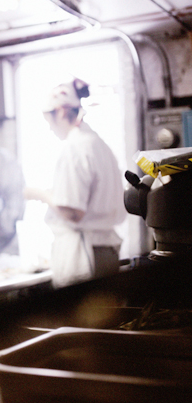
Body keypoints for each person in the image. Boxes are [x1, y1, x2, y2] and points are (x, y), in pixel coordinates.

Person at [23, 78, 126, 289]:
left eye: (48, 120)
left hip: (86, 255)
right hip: (105, 251)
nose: (50, 128)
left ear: (60, 112)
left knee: (85, 321)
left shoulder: (75, 147)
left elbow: (73, 212)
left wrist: (40, 194)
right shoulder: (98, 144)